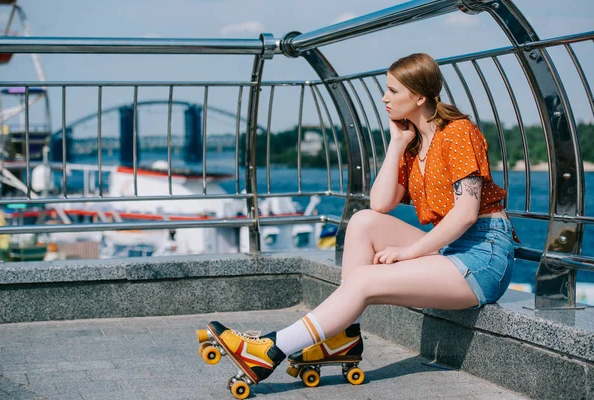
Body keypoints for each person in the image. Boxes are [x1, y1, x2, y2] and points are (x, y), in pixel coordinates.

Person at [202, 53, 518, 386]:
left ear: (420, 96)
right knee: (364, 221)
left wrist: (409, 253)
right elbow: (380, 203)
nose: (385, 98)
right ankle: (342, 338)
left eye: (393, 91)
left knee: (365, 279)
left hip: (483, 256)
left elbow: (467, 213)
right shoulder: (416, 144)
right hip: (451, 249)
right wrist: (397, 144)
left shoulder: (458, 133)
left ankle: (270, 350)